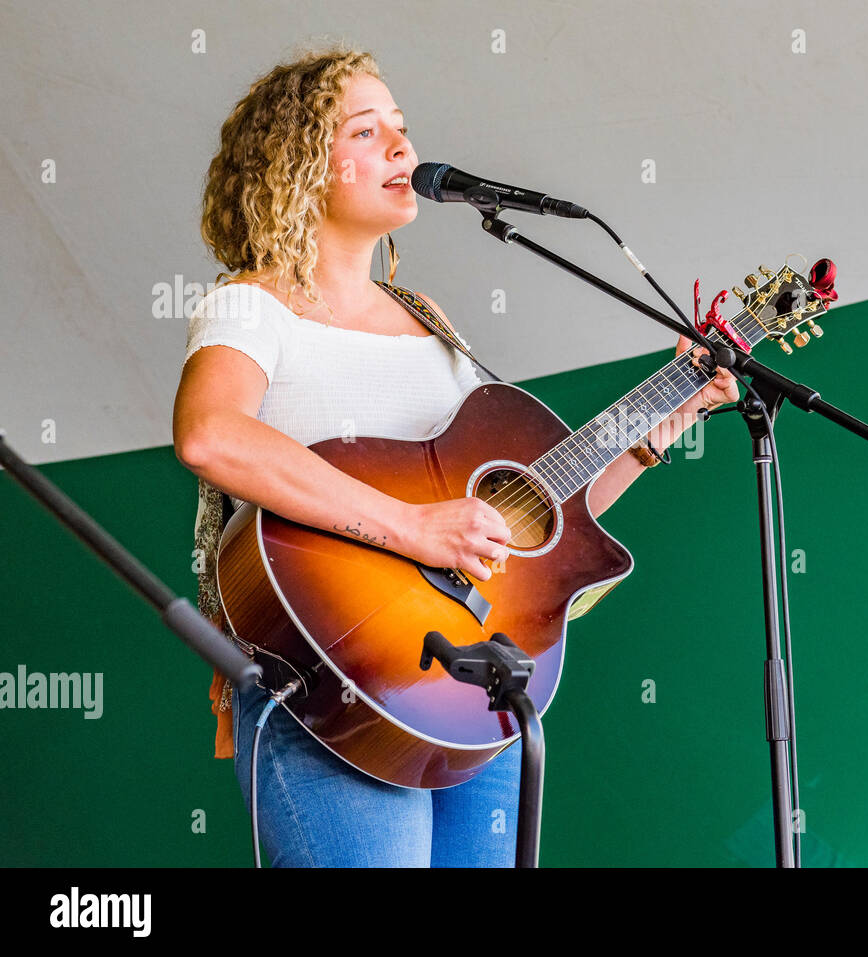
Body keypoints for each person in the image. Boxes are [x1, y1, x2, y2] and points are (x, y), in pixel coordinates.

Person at [171, 46, 738, 867]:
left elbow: (522, 518)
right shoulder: (251, 305)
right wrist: (411, 527)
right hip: (333, 683)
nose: (404, 149)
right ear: (297, 164)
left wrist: (665, 418)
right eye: (368, 132)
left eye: (402, 129)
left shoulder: (424, 316)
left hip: (474, 691)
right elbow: (211, 435)